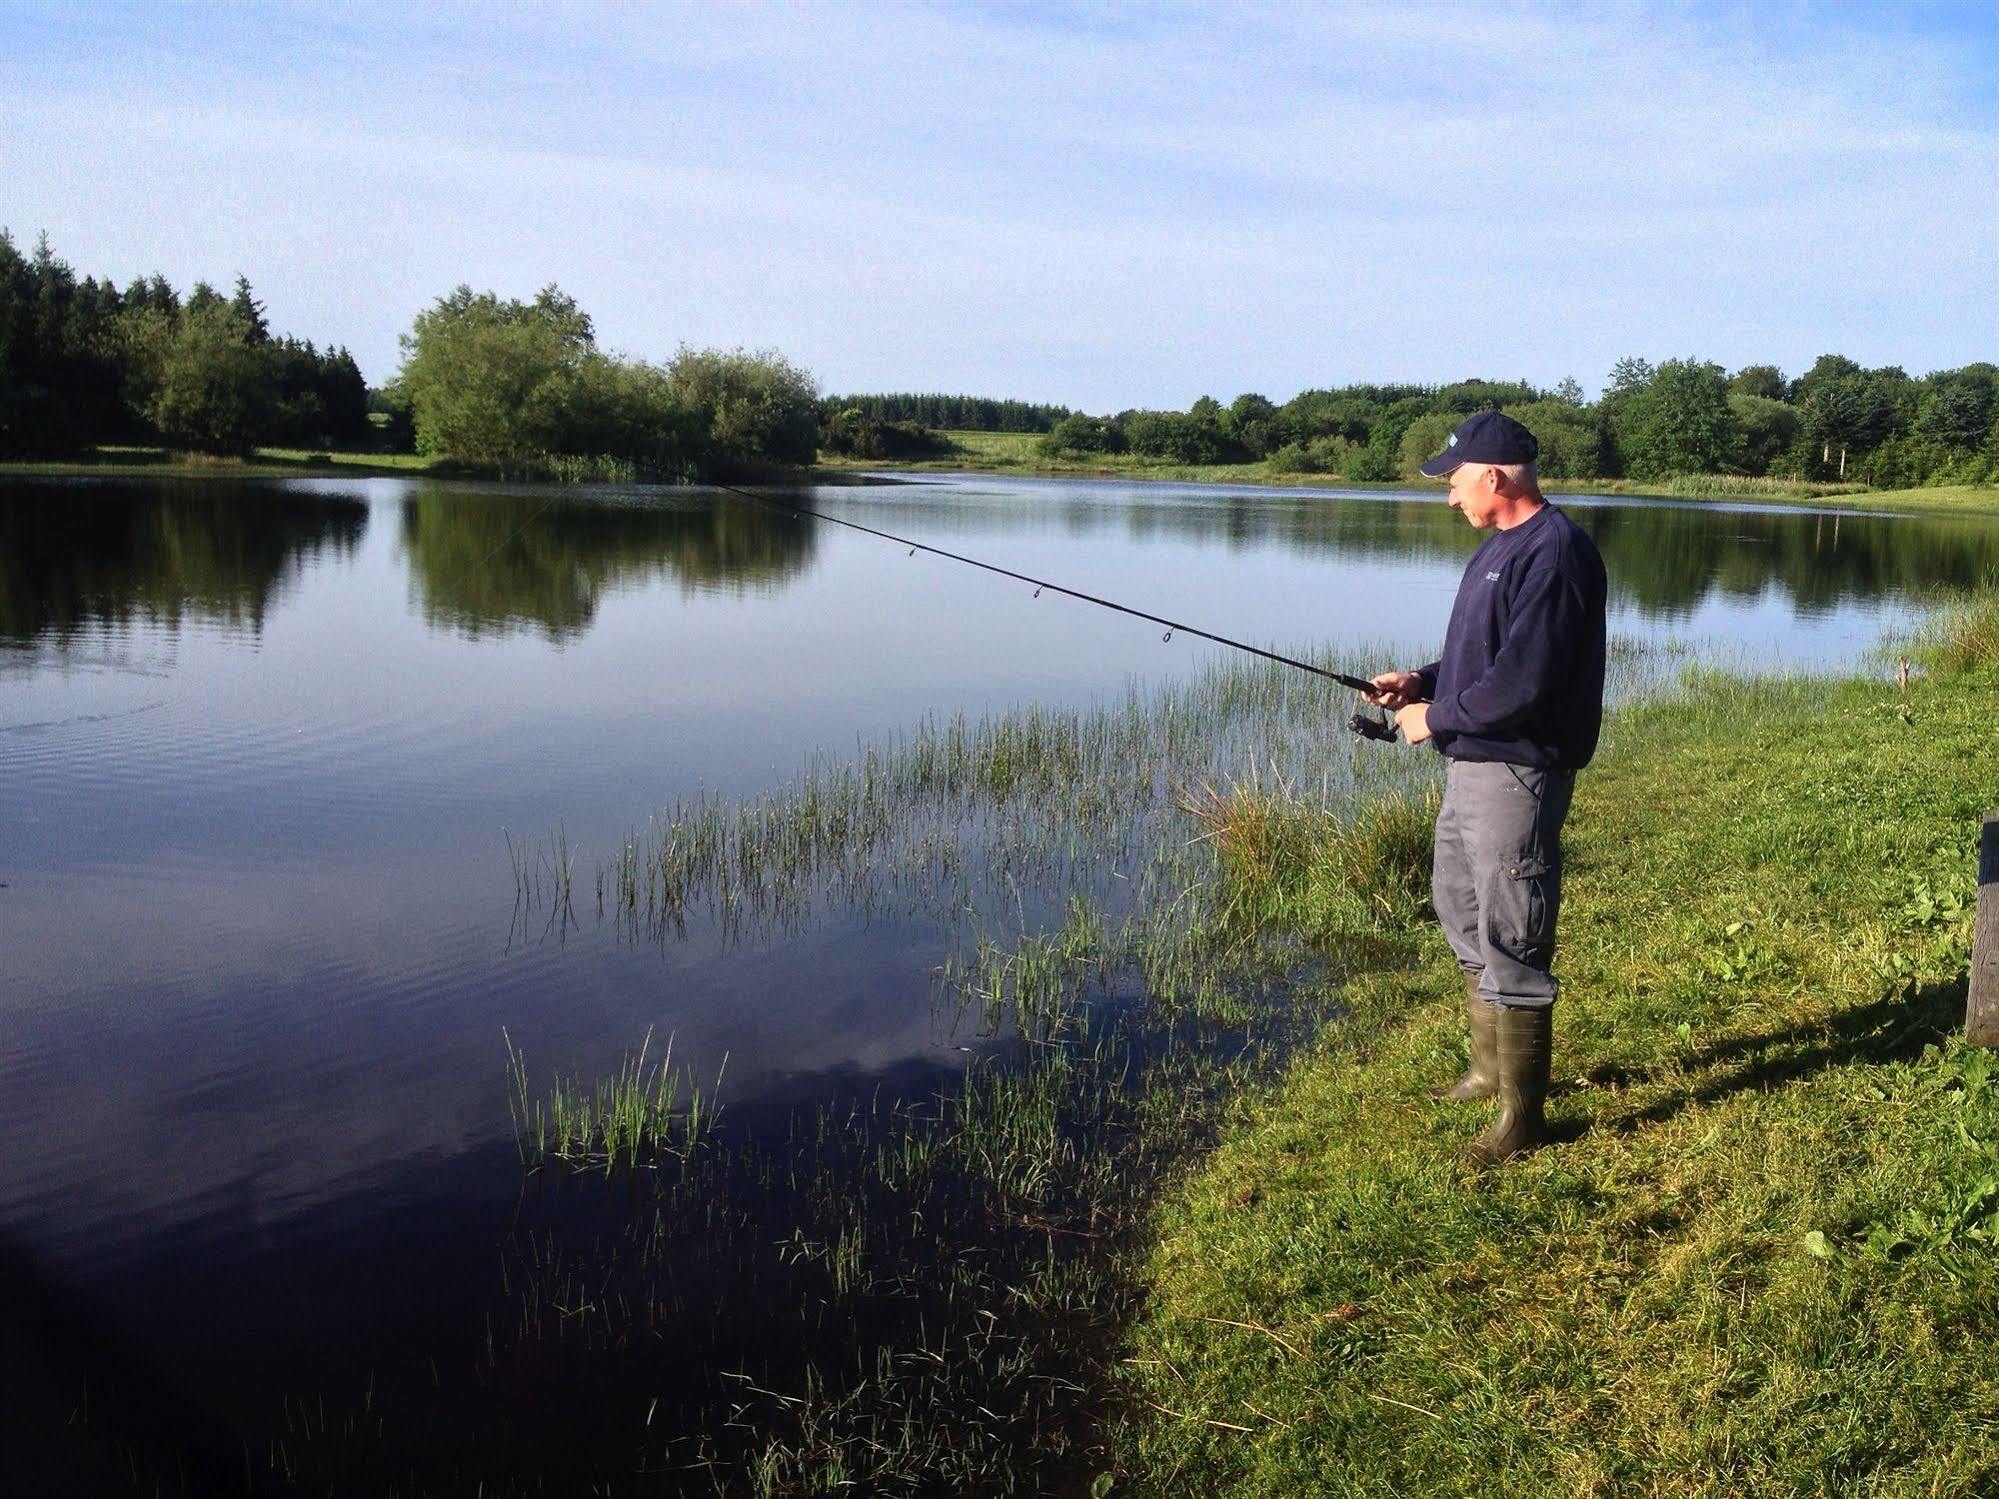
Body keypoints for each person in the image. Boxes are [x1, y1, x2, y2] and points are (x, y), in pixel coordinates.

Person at [1366, 411, 1607, 1165]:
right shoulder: (1499, 550)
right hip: (1472, 762)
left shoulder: (1556, 553)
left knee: (1513, 931)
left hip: (1516, 767)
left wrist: (1431, 716)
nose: (1448, 496)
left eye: (1454, 480)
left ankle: (1520, 1119)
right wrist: (1421, 680)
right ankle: (1485, 1069)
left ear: (1493, 476)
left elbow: (1525, 682)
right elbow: (1483, 659)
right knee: (1460, 908)